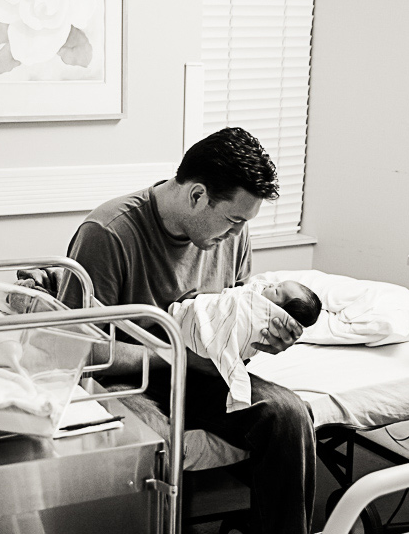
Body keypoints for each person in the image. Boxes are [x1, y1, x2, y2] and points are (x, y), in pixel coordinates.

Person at [58, 127, 316, 534]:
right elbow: (75, 351)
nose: (236, 234)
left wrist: (257, 337)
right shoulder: (109, 233)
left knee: (288, 415)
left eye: (243, 223)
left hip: (201, 371)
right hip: (129, 379)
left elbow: (235, 312)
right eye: (232, 221)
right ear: (197, 195)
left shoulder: (233, 233)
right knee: (156, 445)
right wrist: (177, 355)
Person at [169, 280, 321, 413]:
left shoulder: (260, 309)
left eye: (276, 290)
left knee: (297, 411)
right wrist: (184, 357)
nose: (269, 285)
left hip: (212, 370)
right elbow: (234, 299)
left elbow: (240, 322)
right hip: (164, 359)